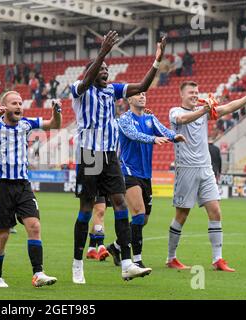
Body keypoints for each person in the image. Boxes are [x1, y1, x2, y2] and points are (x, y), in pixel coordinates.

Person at [70, 30, 166, 284]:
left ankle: (126, 263)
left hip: (111, 156)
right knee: (86, 209)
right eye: (100, 68)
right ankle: (77, 263)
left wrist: (157, 60)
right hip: (90, 155)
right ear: (92, 70)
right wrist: (102, 53)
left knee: (121, 204)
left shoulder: (112, 91)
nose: (105, 71)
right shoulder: (80, 91)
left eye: (107, 68)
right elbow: (85, 81)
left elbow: (142, 86)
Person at [0, 91, 61, 288]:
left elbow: (54, 125)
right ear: (4, 107)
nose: (19, 106)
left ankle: (38, 273)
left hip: (23, 185)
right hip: (1, 185)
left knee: (34, 226)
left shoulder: (27, 123)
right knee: (3, 234)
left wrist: (57, 112)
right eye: (14, 103)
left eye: (20, 102)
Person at [166, 81, 246, 272]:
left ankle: (217, 259)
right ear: (182, 95)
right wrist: (204, 110)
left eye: (197, 92)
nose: (195, 95)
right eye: (191, 92)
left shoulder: (203, 110)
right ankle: (171, 257)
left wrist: (245, 99)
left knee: (216, 211)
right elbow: (184, 120)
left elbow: (226, 108)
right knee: (182, 214)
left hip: (205, 168)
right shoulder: (175, 111)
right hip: (186, 168)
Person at [106, 93, 186, 269]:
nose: (142, 97)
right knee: (138, 212)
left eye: (144, 94)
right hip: (127, 170)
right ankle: (137, 259)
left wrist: (175, 137)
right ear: (129, 100)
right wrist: (153, 139)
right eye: (137, 94)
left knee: (143, 219)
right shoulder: (124, 119)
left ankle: (116, 246)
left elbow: (164, 131)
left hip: (145, 174)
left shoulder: (150, 118)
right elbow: (133, 135)